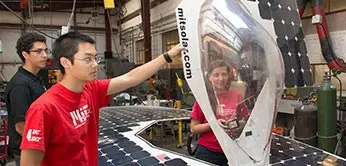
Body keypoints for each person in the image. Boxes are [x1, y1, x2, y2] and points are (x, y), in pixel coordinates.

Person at [19, 31, 183, 166]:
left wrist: (168, 56)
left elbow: (130, 78)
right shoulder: (44, 108)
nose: (95, 64)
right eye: (87, 59)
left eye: (95, 58)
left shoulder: (90, 89)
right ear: (65, 62)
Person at [190, 59, 249, 166]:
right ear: (210, 77)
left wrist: (237, 124)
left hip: (232, 149)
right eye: (216, 75)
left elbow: (246, 120)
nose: (221, 79)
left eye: (224, 74)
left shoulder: (237, 96)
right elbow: (194, 128)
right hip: (208, 152)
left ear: (229, 76)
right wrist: (214, 124)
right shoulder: (204, 98)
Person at [5, 33, 48, 166]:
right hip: (30, 151)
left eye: (46, 50)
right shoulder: (21, 85)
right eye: (39, 51)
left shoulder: (36, 78)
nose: (45, 55)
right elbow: (21, 126)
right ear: (25, 54)